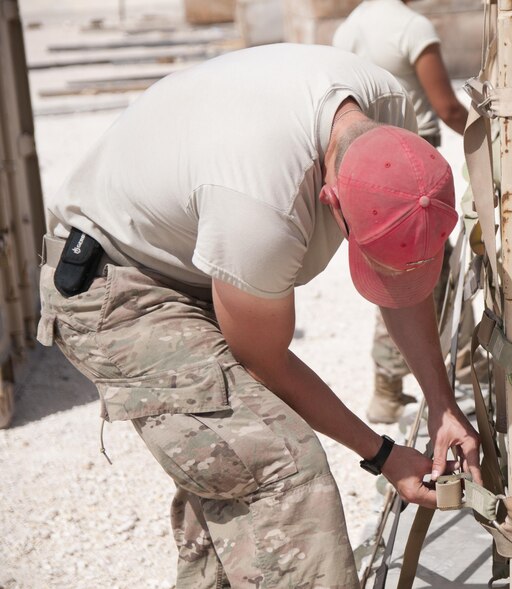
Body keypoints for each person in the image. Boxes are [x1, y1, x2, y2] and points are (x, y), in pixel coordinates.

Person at [37, 43, 481, 589]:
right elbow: (264, 363)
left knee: (235, 475)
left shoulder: (390, 119)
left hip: (191, 252)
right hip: (121, 288)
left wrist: (442, 407)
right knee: (281, 475)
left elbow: (402, 286)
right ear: (330, 200)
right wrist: (384, 455)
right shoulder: (262, 207)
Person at [333, 0, 471, 424]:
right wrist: (492, 142)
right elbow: (447, 108)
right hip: (413, 169)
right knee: (433, 276)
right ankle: (465, 380)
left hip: (367, 170)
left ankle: (387, 391)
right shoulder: (412, 28)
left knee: (390, 276)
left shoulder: (349, 28)